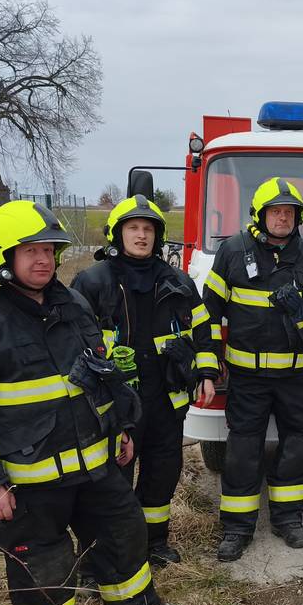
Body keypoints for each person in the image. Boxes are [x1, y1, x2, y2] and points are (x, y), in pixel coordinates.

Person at [0, 201, 181, 605]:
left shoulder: (72, 305)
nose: (44, 259)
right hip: (30, 481)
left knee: (123, 536)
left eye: (49, 249)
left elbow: (100, 376)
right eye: (30, 250)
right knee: (42, 566)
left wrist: (122, 426)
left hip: (95, 463)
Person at [71, 194, 219, 567]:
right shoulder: (92, 282)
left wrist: (205, 372)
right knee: (111, 480)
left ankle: (154, 544)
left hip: (166, 398)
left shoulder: (179, 282)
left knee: (161, 474)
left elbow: (204, 331)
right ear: (117, 234)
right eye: (133, 228)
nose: (141, 236)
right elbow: (73, 342)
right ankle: (106, 554)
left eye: (148, 229)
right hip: (115, 402)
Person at [202, 178, 303, 560]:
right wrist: (210, 358)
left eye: (288, 212)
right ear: (260, 214)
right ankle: (236, 528)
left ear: (298, 217)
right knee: (243, 450)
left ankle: (288, 519)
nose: (282, 218)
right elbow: (208, 313)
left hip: (299, 378)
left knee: (298, 444)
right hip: (248, 378)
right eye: (275, 211)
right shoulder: (233, 252)